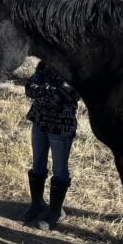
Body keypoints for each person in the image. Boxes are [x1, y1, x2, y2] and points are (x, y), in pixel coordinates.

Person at [21, 61, 79, 230]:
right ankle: (37, 204)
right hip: (39, 121)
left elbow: (70, 95)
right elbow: (29, 88)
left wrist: (43, 90)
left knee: (60, 169)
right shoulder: (44, 65)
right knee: (37, 164)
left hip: (61, 125)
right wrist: (53, 89)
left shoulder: (74, 67)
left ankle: (56, 211)